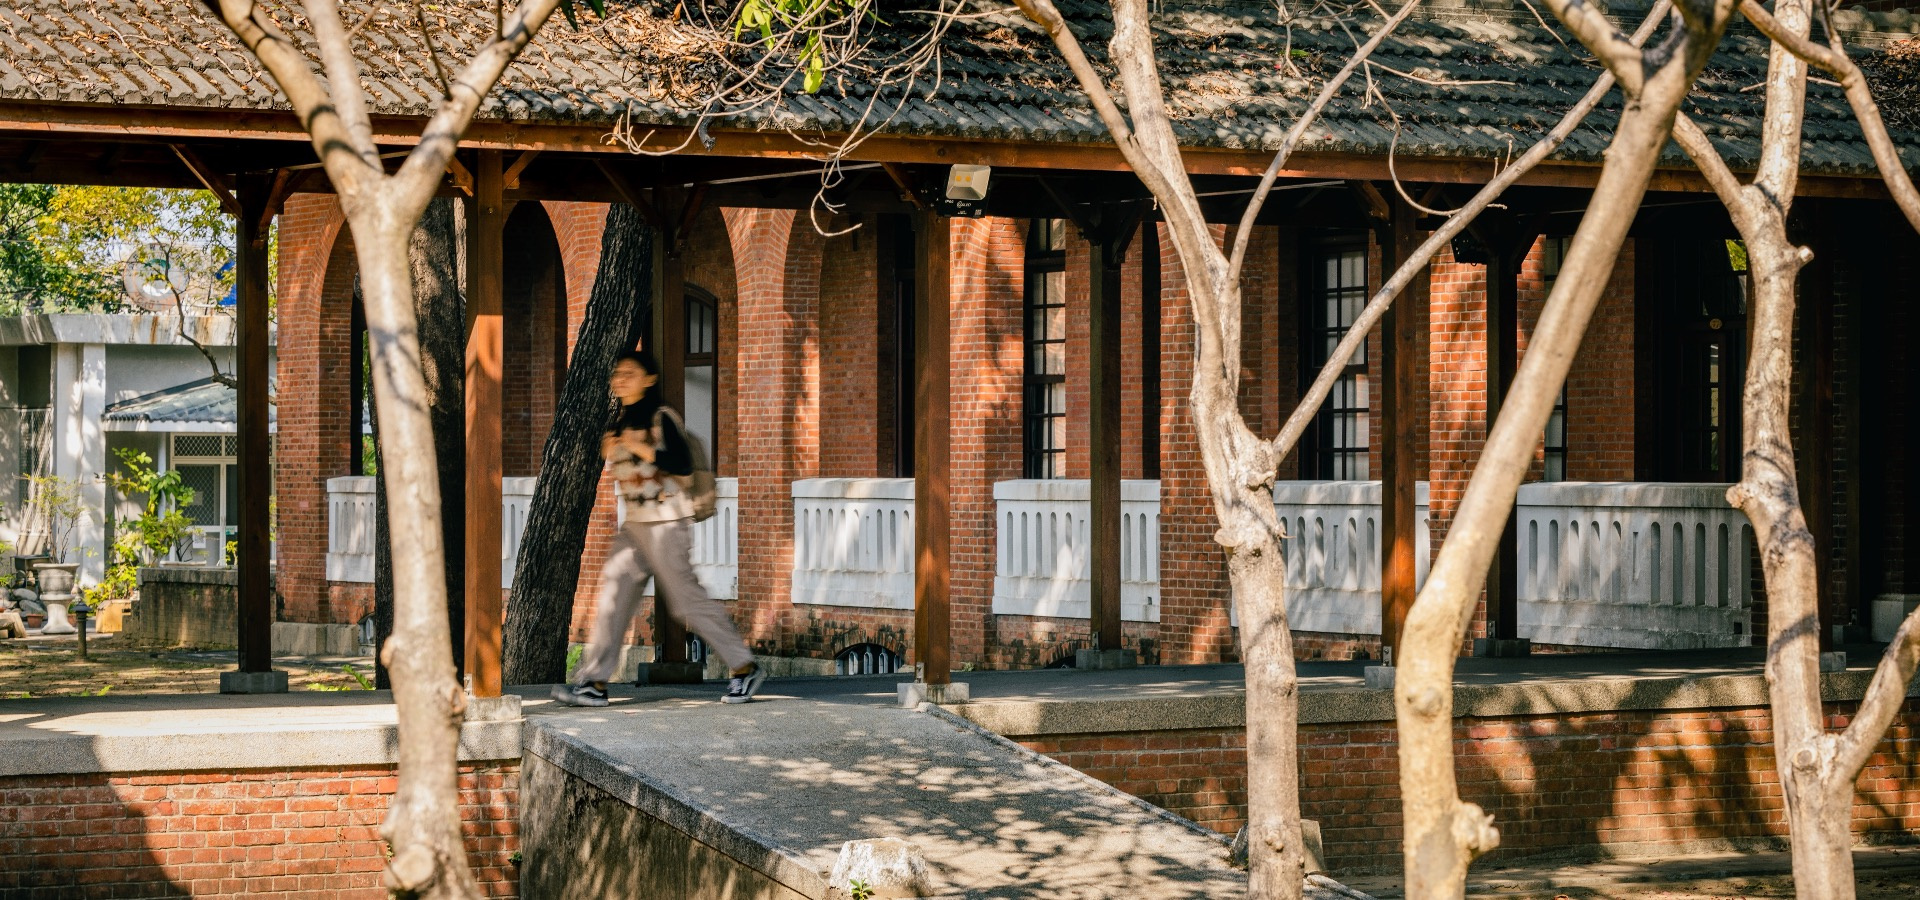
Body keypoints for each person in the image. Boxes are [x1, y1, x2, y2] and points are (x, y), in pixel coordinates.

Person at [551, 349, 767, 707]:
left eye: (630, 373)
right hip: (634, 527)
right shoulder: (617, 422)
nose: (620, 379)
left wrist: (640, 448)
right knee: (613, 598)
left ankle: (744, 668)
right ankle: (593, 684)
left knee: (685, 602)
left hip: (668, 524)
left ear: (649, 379)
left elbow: (682, 468)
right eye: (616, 374)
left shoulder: (661, 417)